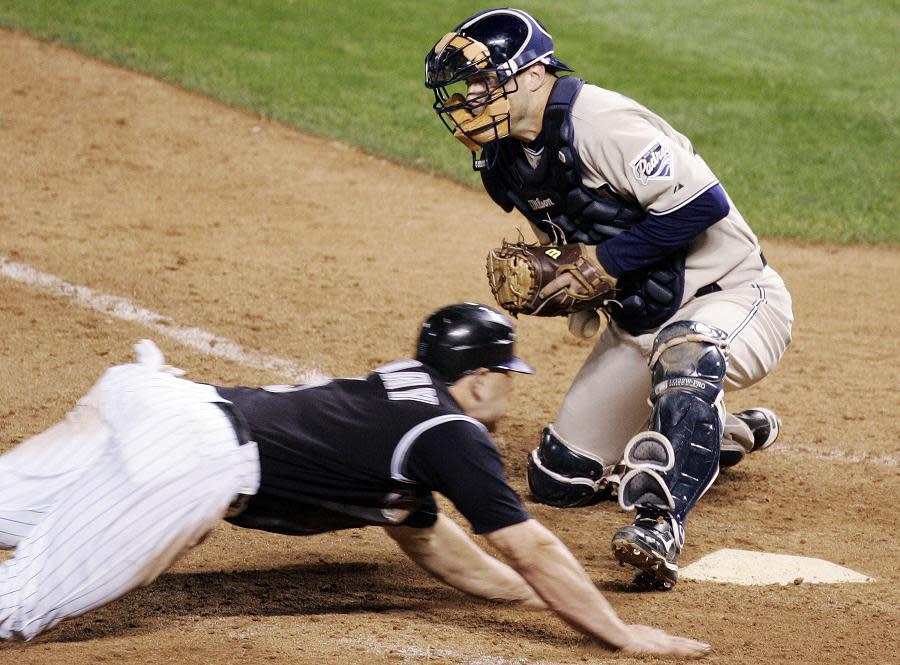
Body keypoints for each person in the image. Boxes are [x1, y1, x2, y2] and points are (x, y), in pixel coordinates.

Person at [0, 304, 709, 657]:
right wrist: (615, 631)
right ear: (483, 378)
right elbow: (532, 547)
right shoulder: (450, 432)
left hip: (154, 396)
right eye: (507, 379)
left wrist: (540, 596)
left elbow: (431, 540)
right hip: (186, 457)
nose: (509, 395)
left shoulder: (397, 396)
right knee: (23, 602)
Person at [424, 9, 793, 590]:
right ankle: (718, 433)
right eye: (465, 87)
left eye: (482, 81)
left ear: (530, 73)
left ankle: (660, 523)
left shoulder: (602, 121)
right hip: (642, 321)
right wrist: (579, 296)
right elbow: (571, 232)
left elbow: (703, 206)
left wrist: (604, 266)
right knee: (560, 479)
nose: (469, 99)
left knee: (685, 351)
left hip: (731, 296)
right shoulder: (503, 161)